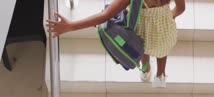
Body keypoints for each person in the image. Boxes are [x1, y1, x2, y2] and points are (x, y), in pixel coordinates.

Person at [47, 0, 185, 88]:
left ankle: (146, 69)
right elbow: (181, 8)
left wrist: (70, 26)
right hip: (165, 31)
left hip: (142, 33)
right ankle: (160, 77)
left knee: (142, 46)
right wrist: (167, 17)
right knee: (162, 49)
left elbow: (104, 16)